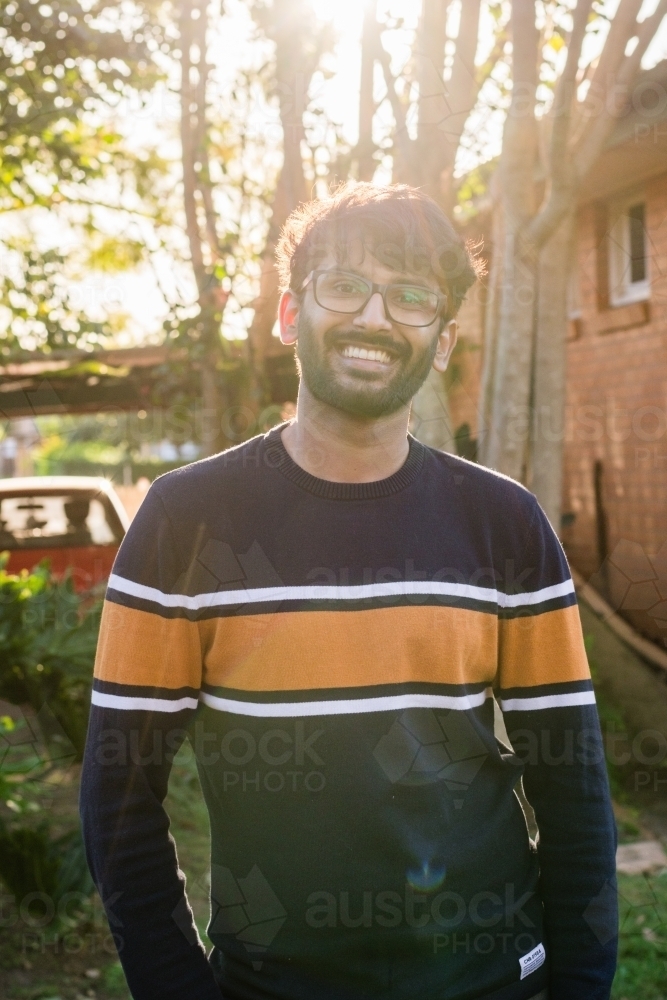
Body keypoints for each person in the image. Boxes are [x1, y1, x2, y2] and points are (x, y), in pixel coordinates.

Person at [80, 183, 617, 1000]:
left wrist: (578, 982)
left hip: (493, 979)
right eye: (344, 287)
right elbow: (119, 793)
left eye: (410, 298)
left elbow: (571, 785)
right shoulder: (185, 519)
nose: (375, 318)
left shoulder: (503, 522)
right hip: (275, 985)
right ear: (291, 315)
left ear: (440, 343)